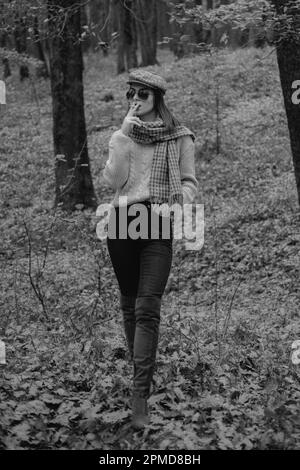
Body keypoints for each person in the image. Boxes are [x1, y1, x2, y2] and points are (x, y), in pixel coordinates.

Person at [102, 69, 198, 429]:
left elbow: (189, 183)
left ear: (158, 97)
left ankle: (139, 395)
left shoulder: (180, 137)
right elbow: (112, 181)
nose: (135, 101)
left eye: (143, 95)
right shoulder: (125, 134)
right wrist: (121, 137)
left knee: (147, 308)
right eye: (131, 94)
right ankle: (138, 372)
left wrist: (174, 206)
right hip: (123, 221)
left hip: (158, 223)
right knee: (130, 305)